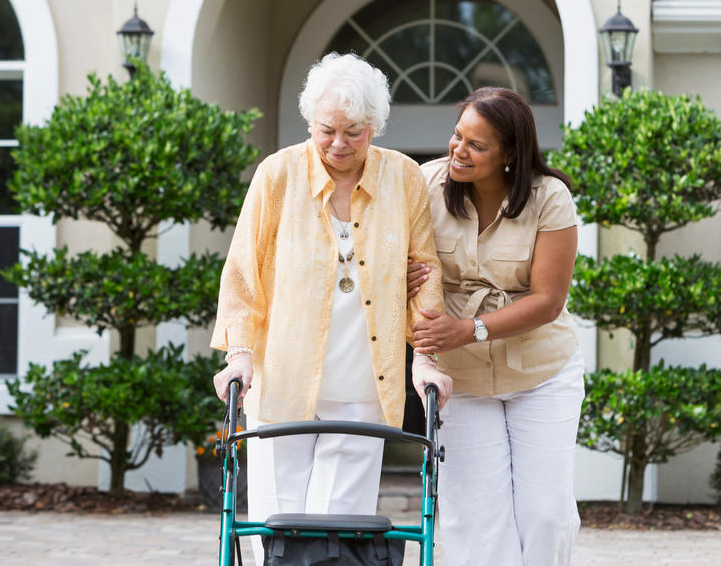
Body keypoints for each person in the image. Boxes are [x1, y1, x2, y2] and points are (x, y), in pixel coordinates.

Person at [210, 52, 452, 563]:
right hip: (282, 383)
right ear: (309, 121)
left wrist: (427, 360)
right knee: (276, 530)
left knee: (337, 536)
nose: (339, 144)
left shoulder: (403, 178)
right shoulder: (277, 175)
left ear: (375, 127)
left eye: (354, 132)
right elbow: (242, 273)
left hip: (365, 387)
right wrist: (239, 354)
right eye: (327, 131)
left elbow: (424, 273)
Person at [408, 86, 583, 566]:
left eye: (477, 145)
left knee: (546, 515)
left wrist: (468, 330)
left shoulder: (550, 198)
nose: (458, 151)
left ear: (510, 153)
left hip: (541, 374)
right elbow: (393, 258)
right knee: (475, 517)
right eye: (457, 135)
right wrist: (397, 272)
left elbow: (548, 301)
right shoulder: (425, 185)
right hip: (459, 379)